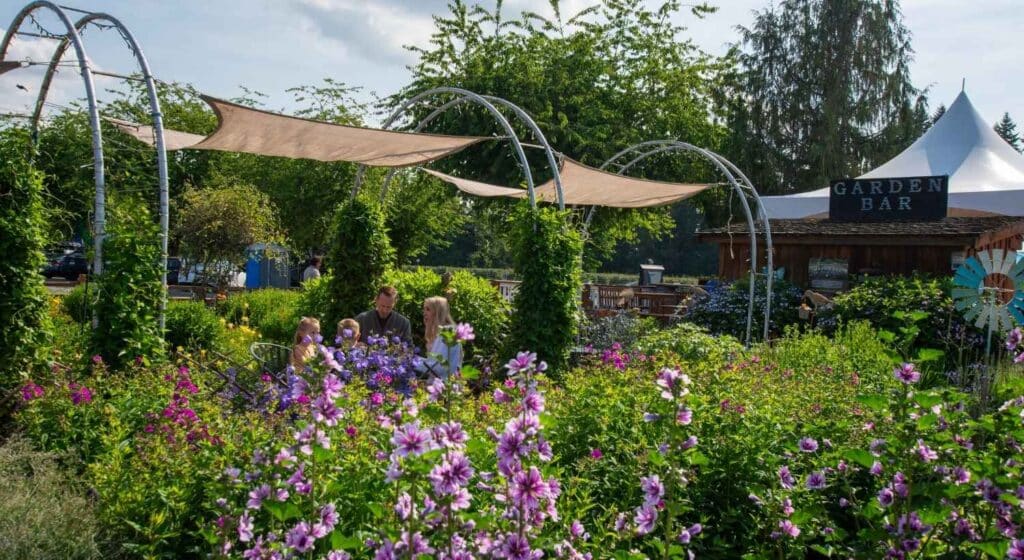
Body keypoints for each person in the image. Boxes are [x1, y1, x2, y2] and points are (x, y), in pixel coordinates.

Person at [419, 296, 462, 379]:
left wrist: (412, 362)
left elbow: (438, 368)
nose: (424, 313)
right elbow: (432, 364)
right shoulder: (439, 332)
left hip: (445, 387)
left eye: (428, 309)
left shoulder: (448, 332)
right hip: (438, 384)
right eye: (424, 309)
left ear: (438, 312)